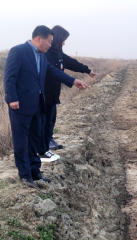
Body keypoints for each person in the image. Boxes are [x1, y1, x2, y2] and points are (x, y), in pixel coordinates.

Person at [4, 26, 89, 188]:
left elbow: (54, 71)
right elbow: (9, 77)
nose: (50, 45)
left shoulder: (42, 57)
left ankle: (35, 172)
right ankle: (25, 175)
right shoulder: (18, 51)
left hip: (38, 103)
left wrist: (73, 81)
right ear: (39, 39)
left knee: (35, 138)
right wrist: (12, 98)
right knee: (21, 140)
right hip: (20, 105)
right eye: (49, 42)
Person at [39, 25, 97, 160]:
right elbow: (53, 72)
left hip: (54, 93)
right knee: (44, 120)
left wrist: (87, 70)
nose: (64, 43)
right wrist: (72, 81)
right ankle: (43, 146)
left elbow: (72, 63)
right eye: (63, 40)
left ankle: (48, 140)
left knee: (51, 119)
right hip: (44, 93)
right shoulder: (45, 55)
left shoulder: (59, 54)